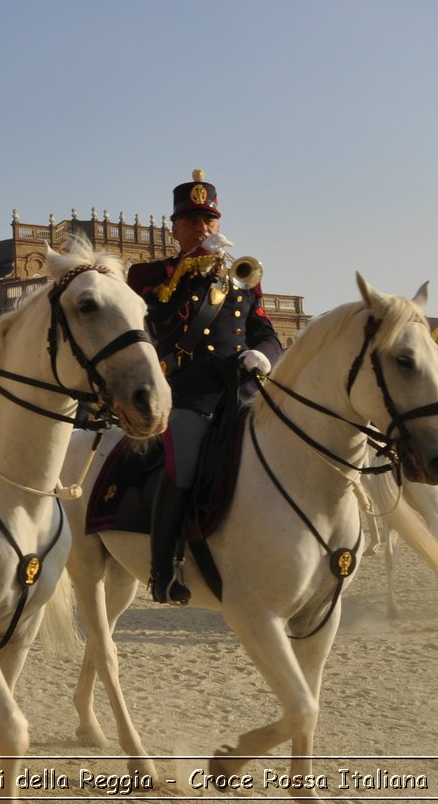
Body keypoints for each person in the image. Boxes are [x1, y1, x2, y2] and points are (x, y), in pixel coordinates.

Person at [127, 169, 283, 606]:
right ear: (174, 228)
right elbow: (157, 323)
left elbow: (263, 329)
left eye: (209, 220)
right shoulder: (150, 276)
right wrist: (194, 270)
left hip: (242, 395)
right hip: (187, 395)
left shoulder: (241, 276)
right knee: (185, 465)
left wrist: (265, 355)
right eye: (193, 221)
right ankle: (165, 567)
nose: (204, 228)